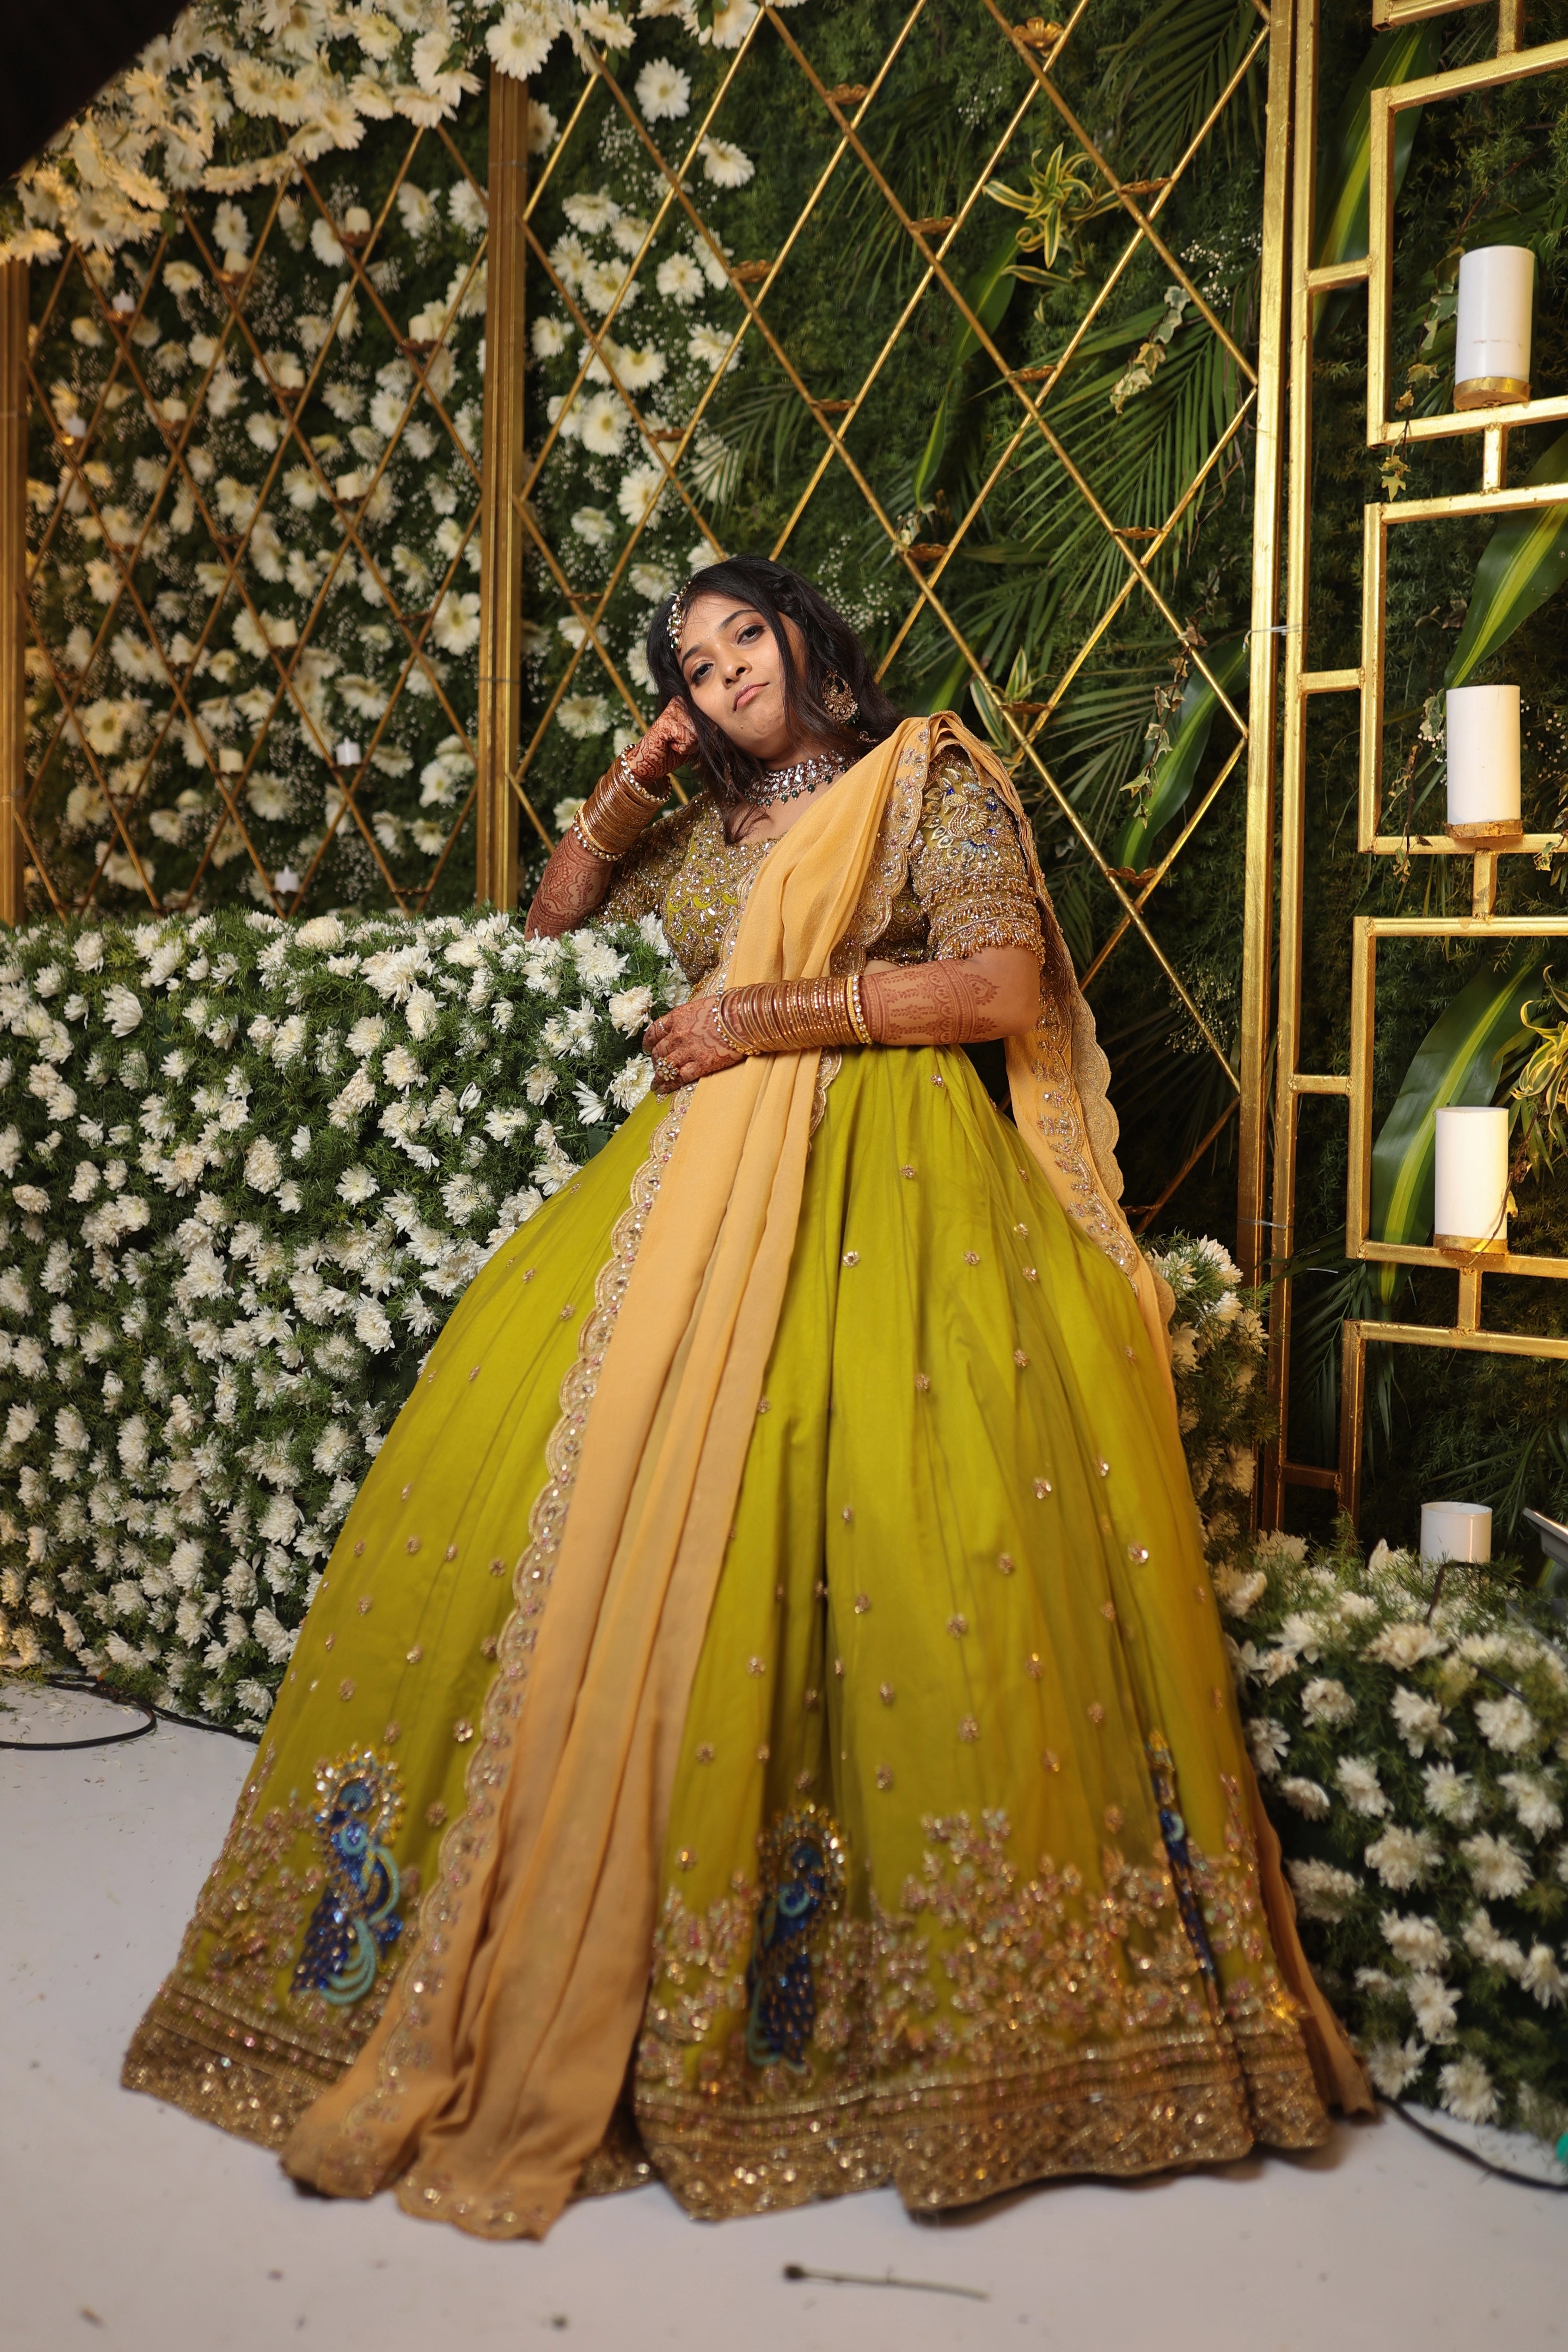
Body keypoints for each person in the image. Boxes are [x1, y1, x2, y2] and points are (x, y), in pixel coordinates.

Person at [124, 556, 1368, 2240]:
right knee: (585, 1476)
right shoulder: (711, 834)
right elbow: (557, 916)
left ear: (805, 636)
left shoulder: (922, 781)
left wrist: (762, 1016)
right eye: (694, 668)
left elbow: (1001, 994)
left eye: (740, 641)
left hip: (903, 1183)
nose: (723, 675)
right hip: (693, 1194)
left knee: (863, 1503)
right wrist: (644, 770)